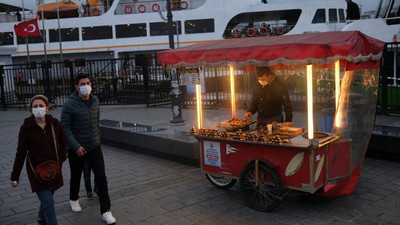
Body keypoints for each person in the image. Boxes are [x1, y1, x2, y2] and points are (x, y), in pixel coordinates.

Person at [61, 73, 116, 224]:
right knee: (76, 175)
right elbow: (64, 128)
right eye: (82, 83)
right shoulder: (69, 105)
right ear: (76, 87)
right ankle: (74, 198)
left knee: (101, 178)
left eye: (88, 83)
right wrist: (75, 146)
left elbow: (96, 122)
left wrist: (97, 139)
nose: (86, 86)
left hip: (94, 147)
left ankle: (106, 211)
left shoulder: (95, 101)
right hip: (77, 149)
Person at [10, 94, 68, 225]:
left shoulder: (55, 124)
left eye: (41, 106)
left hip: (54, 169)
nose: (38, 108)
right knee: (48, 201)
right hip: (36, 171)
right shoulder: (26, 128)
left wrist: (61, 159)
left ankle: (41, 218)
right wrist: (15, 176)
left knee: (48, 197)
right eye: (35, 106)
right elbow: (21, 153)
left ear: (47, 108)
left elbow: (64, 143)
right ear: (31, 109)